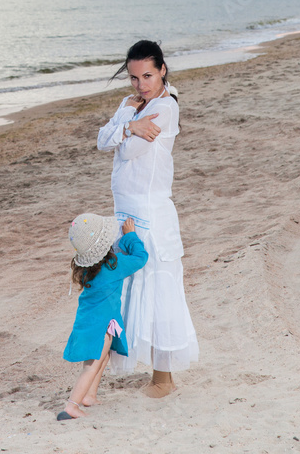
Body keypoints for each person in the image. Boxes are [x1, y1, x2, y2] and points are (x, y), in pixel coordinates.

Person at [97, 39, 198, 397]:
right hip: (126, 211)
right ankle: (153, 373)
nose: (141, 85)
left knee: (158, 291)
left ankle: (163, 379)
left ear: (162, 71)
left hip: (149, 214)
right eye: (134, 78)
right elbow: (101, 140)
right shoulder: (133, 105)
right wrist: (127, 123)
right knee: (132, 290)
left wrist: (125, 129)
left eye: (148, 75)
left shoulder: (165, 107)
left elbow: (128, 150)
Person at [58, 213, 148, 420]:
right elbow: (140, 258)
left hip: (89, 322)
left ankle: (89, 396)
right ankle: (72, 406)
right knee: (91, 365)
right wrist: (130, 236)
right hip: (100, 326)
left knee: (103, 357)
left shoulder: (88, 269)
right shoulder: (112, 266)